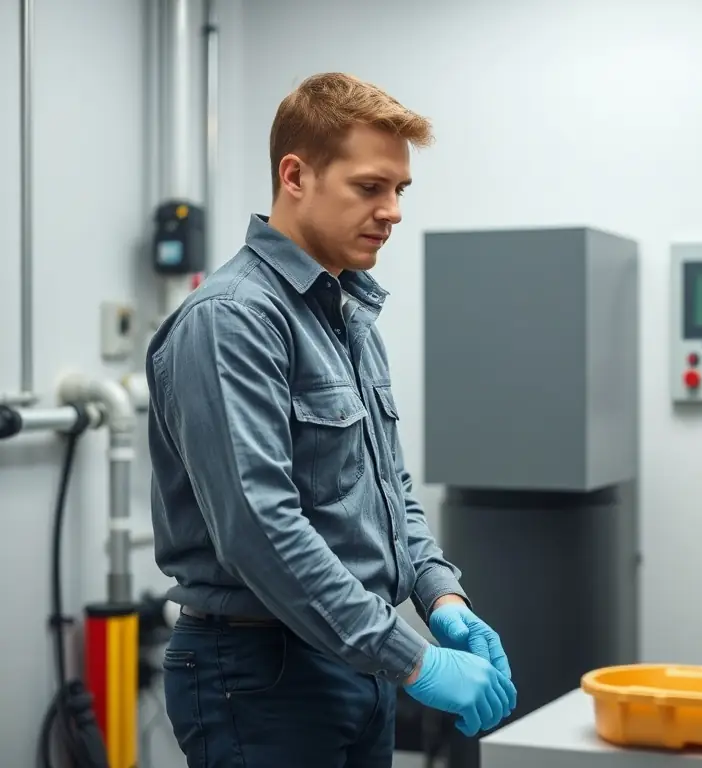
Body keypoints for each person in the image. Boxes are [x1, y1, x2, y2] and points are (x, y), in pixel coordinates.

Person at [147, 72, 517, 768]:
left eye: (400, 191)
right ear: (296, 175)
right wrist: (415, 661)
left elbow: (388, 488)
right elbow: (260, 528)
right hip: (260, 676)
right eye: (370, 187)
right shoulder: (232, 320)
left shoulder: (346, 314)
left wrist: (441, 596)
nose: (393, 211)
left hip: (355, 657)